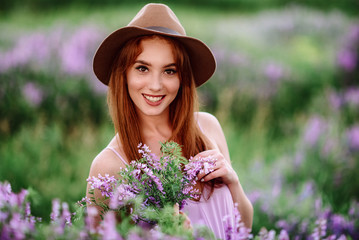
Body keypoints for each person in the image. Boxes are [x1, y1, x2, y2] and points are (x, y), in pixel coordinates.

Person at [87, 3, 253, 238]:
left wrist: (233, 182)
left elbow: (244, 229)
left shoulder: (207, 128)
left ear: (182, 77)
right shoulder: (109, 165)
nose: (156, 85)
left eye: (169, 71)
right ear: (123, 73)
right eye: (142, 68)